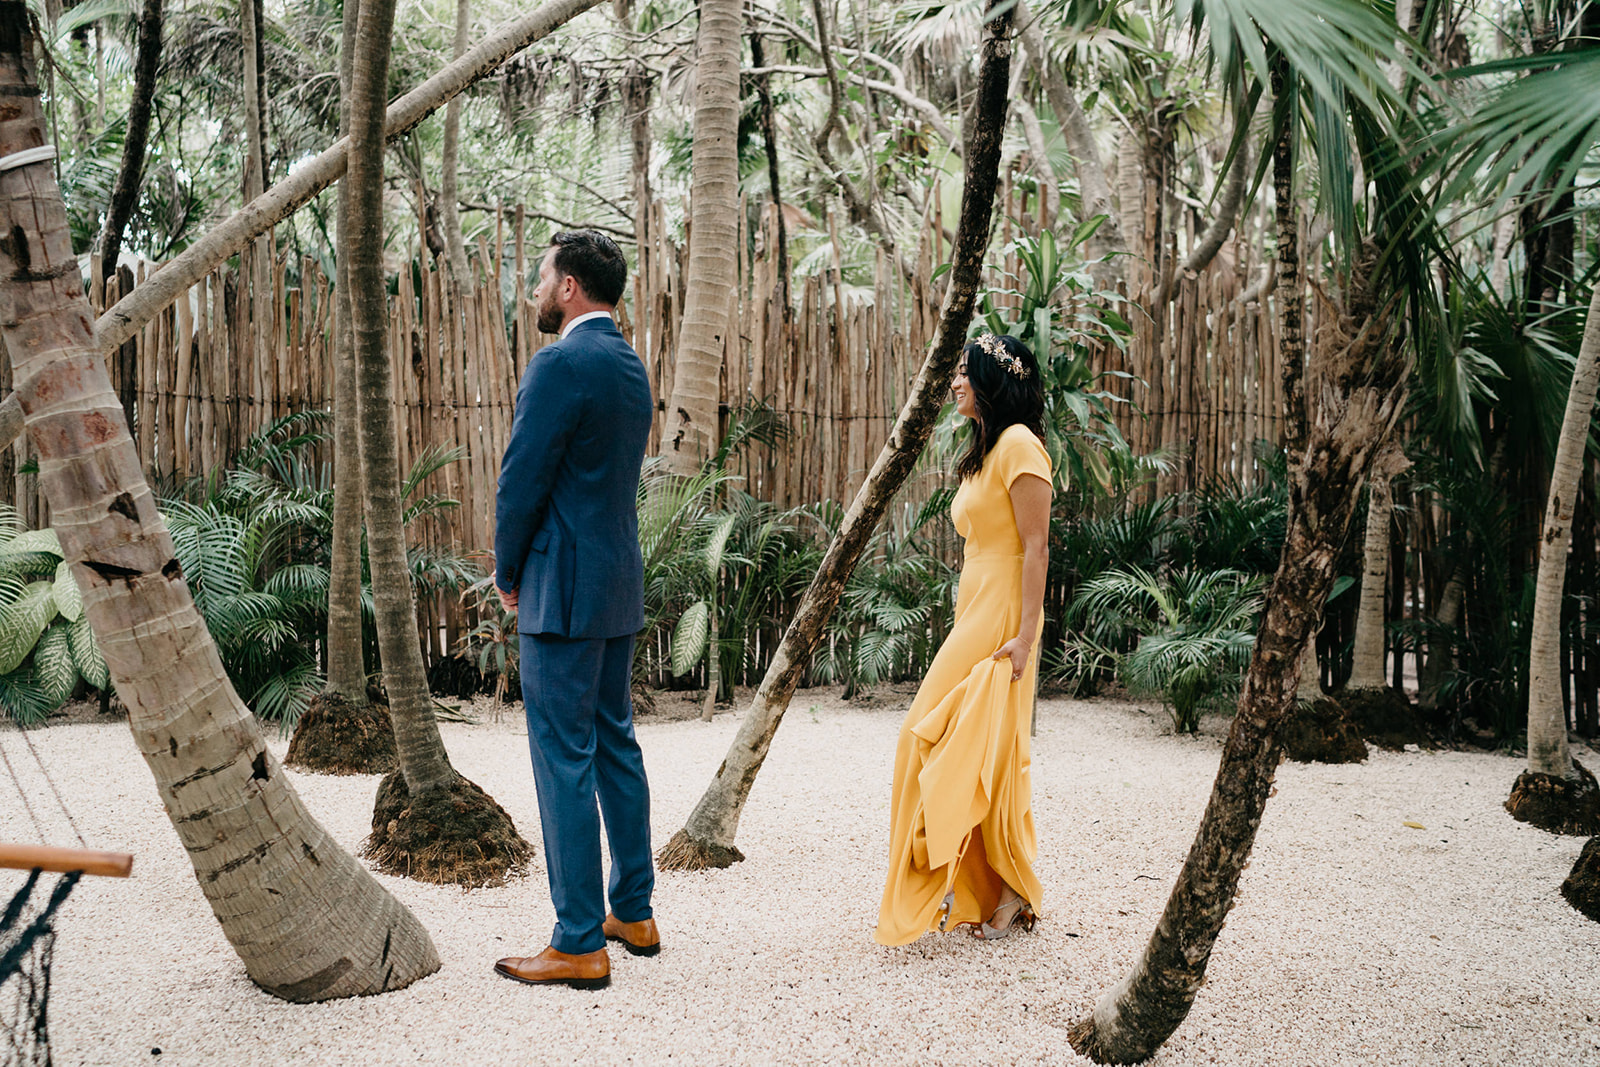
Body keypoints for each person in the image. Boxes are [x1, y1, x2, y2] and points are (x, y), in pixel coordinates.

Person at [491, 230, 660, 990]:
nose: (534, 287)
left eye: (541, 274)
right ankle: (635, 908)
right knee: (615, 742)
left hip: (560, 588)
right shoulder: (631, 366)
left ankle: (577, 939)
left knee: (563, 755)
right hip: (617, 583)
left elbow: (522, 477)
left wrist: (505, 566)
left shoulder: (559, 362)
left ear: (569, 288)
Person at [875, 333, 1052, 946]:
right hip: (975, 606)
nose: (955, 382)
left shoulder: (1022, 446)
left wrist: (1027, 636)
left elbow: (1037, 547)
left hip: (1001, 613)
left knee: (923, 736)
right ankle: (989, 887)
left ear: (991, 381)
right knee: (976, 746)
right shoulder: (991, 447)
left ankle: (954, 876)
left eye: (964, 373)